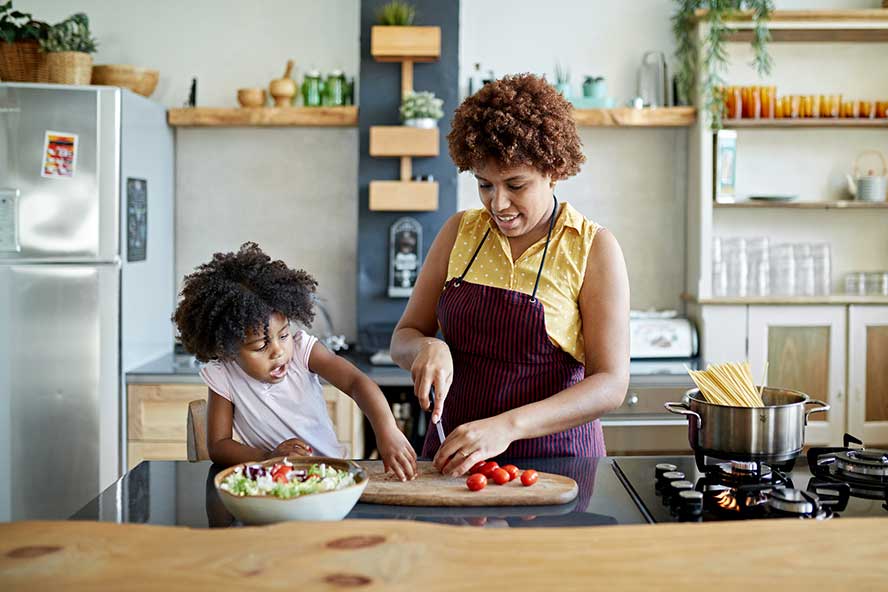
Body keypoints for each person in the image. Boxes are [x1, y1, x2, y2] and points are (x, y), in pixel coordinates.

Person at [390, 73, 630, 476]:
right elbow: (403, 337)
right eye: (484, 185)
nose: (498, 203)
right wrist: (426, 348)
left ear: (553, 170)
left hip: (557, 466)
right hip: (455, 458)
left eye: (515, 185)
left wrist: (507, 427)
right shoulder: (459, 232)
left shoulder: (590, 247)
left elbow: (610, 383)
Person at [173, 242, 417, 480]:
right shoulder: (224, 374)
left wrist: (387, 430)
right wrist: (269, 456)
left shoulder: (302, 351)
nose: (278, 351)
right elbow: (218, 445)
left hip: (331, 476)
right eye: (260, 346)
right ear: (228, 350)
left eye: (284, 335)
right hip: (271, 483)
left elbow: (356, 382)